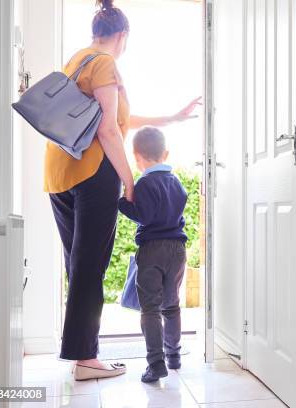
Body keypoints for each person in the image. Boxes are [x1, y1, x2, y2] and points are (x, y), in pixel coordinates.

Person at [45, 0, 200, 381]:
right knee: (90, 266)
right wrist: (131, 182)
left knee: (77, 265)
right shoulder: (106, 63)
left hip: (59, 173)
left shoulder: (76, 60)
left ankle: (82, 353)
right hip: (93, 173)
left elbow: (115, 117)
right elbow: (110, 130)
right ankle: (85, 359)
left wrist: (172, 117)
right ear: (123, 36)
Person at [118, 127, 188, 383]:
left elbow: (144, 216)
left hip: (152, 250)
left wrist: (123, 203)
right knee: (171, 304)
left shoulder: (145, 183)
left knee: (150, 309)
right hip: (178, 249)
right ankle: (174, 355)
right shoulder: (176, 181)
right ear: (165, 153)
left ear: (137, 157)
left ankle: (156, 364)